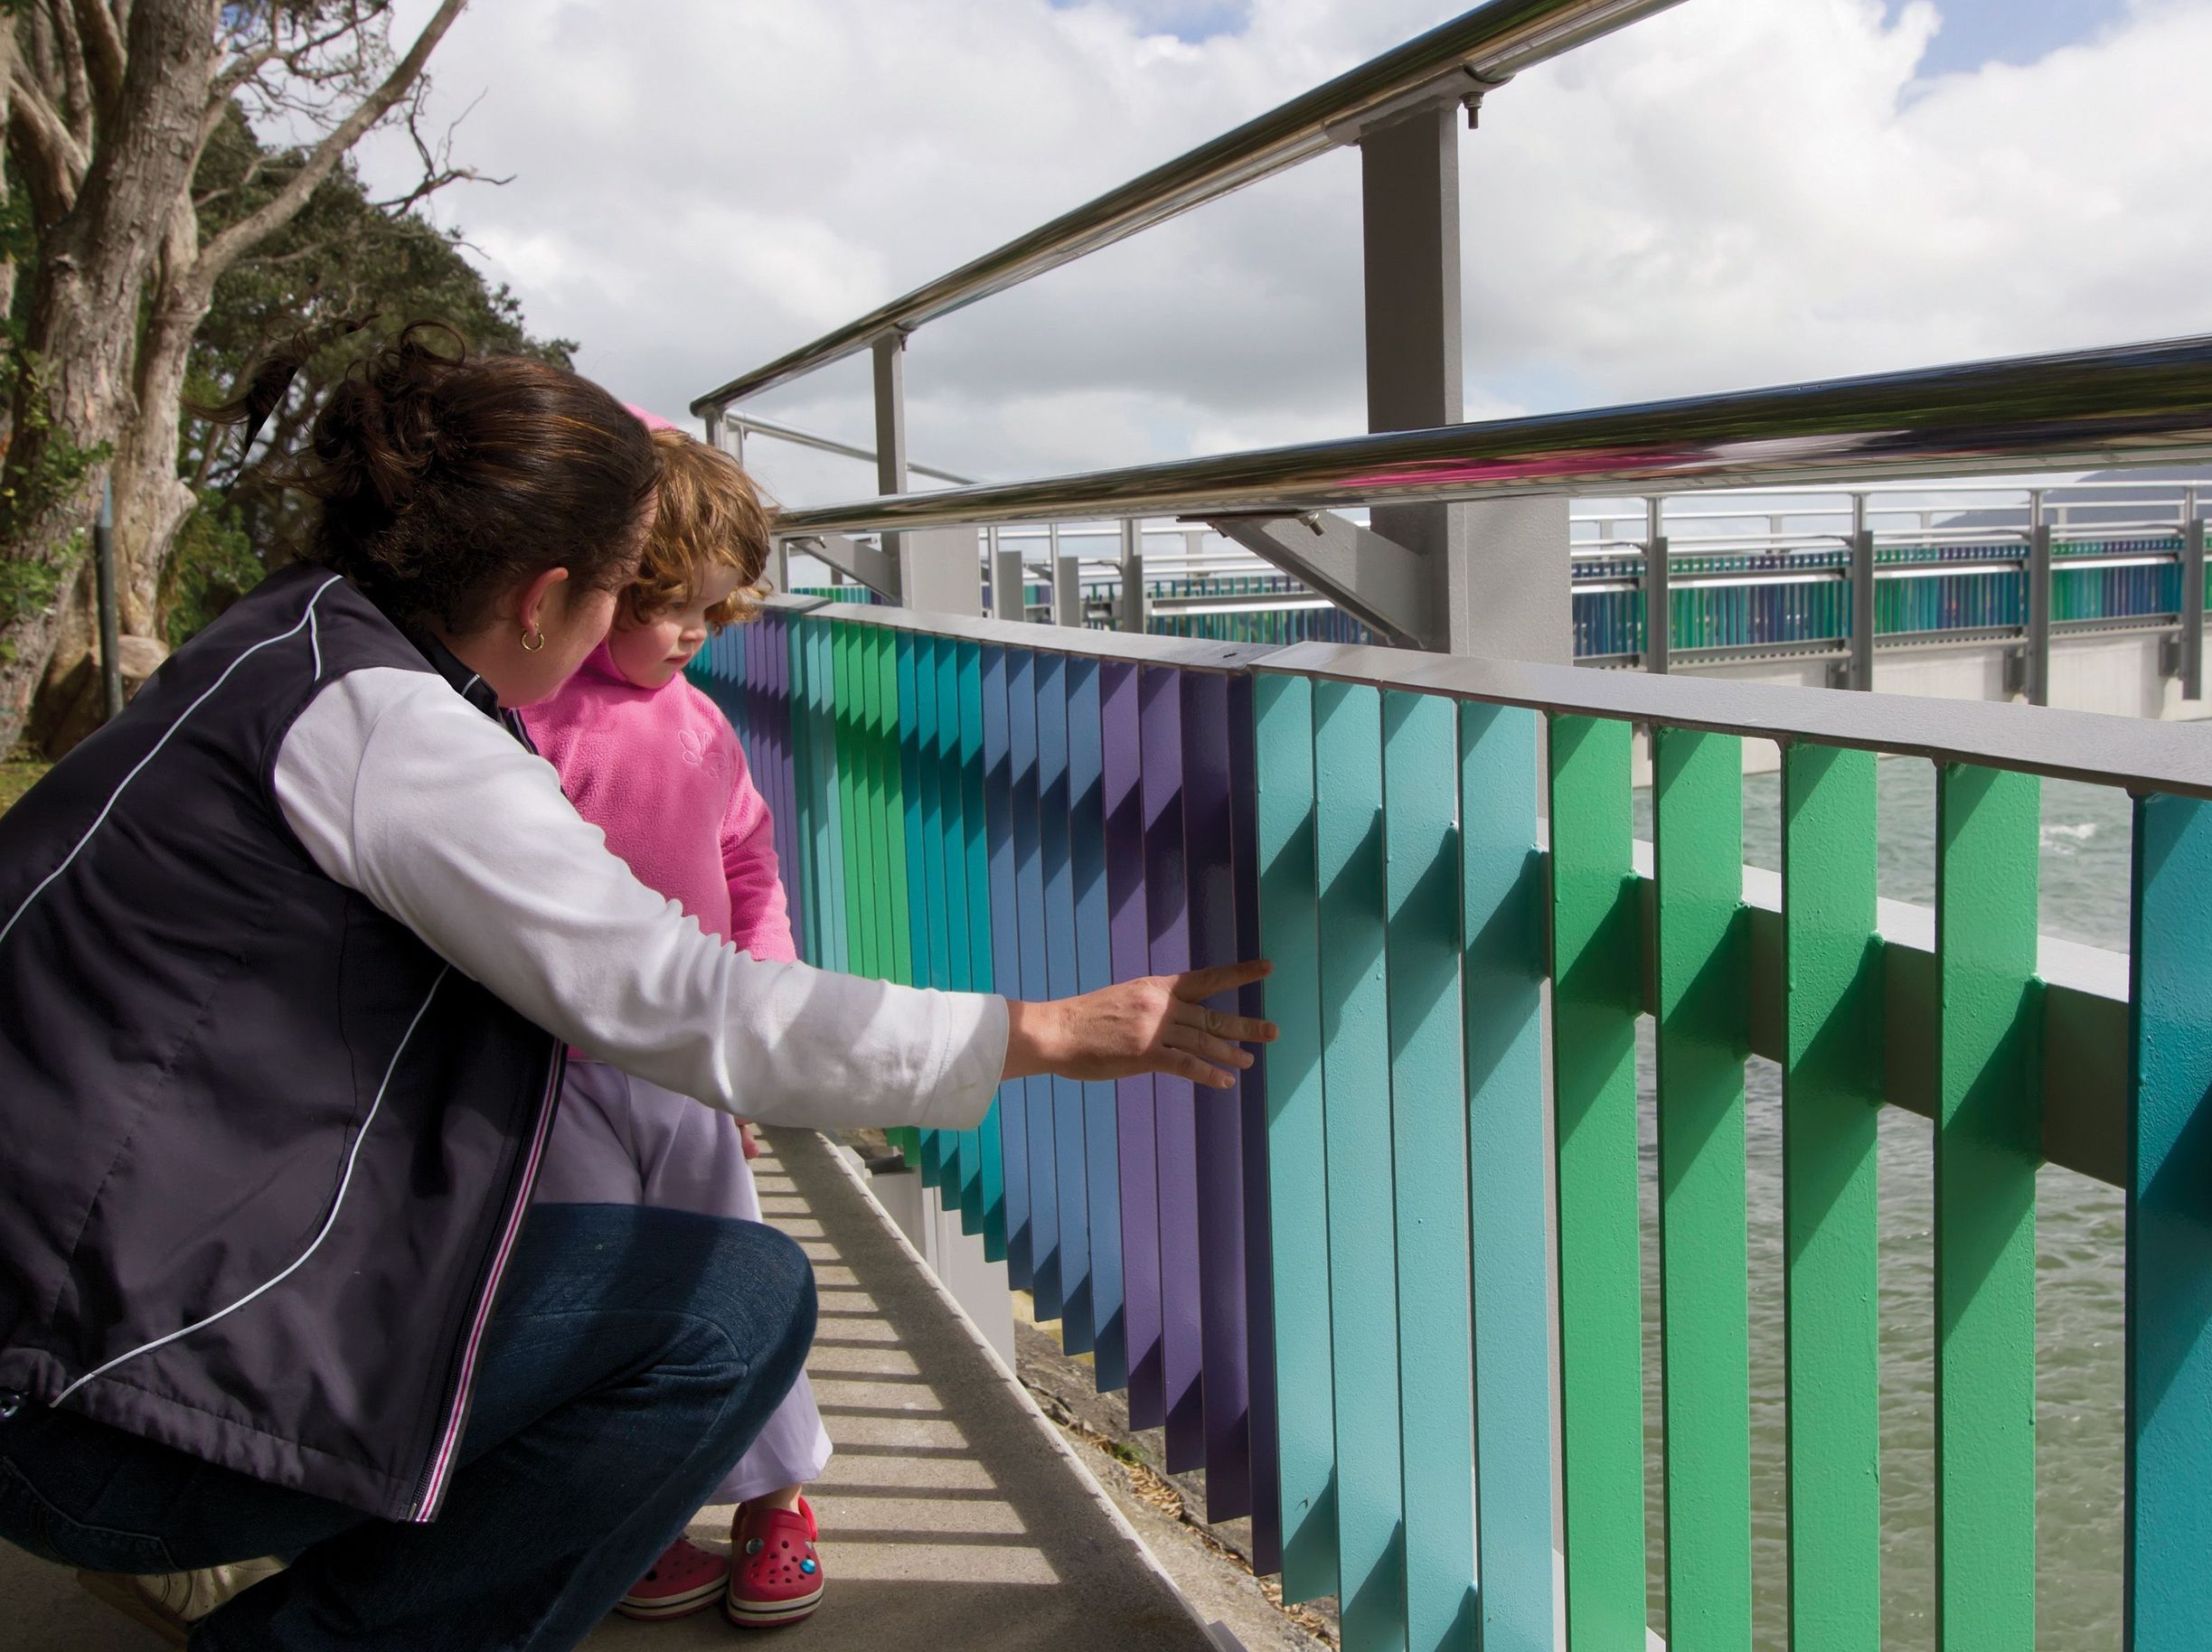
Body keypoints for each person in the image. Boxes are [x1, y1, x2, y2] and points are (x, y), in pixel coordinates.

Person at [0, 324, 1270, 1652]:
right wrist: (1043, 1031)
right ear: (548, 597)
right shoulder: (398, 738)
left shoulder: (287, 639)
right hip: (84, 1402)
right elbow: (679, 996)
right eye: (620, 590)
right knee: (732, 1306)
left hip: (64, 1310)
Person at [517, 425, 834, 1629]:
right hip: (551, 1070)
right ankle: (641, 1511)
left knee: (730, 1276)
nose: (695, 636)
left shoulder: (699, 725)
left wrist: (763, 1004)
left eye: (714, 613)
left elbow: (751, 868)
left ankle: (777, 1497)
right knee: (591, 1291)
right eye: (672, 610)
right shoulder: (524, 721)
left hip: (687, 1063)